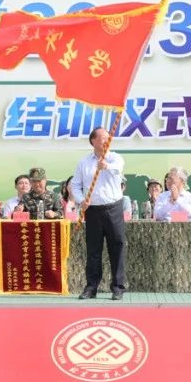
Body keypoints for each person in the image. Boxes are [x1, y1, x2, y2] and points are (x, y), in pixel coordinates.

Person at [69, 127, 127, 300]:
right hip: (92, 210)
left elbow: (118, 169)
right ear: (93, 141)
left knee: (117, 247)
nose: (107, 140)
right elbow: (75, 185)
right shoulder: (84, 162)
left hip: (113, 208)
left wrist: (106, 166)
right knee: (93, 249)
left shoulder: (115, 157)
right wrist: (81, 200)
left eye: (108, 137)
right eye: (102, 137)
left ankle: (118, 287)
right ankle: (91, 287)